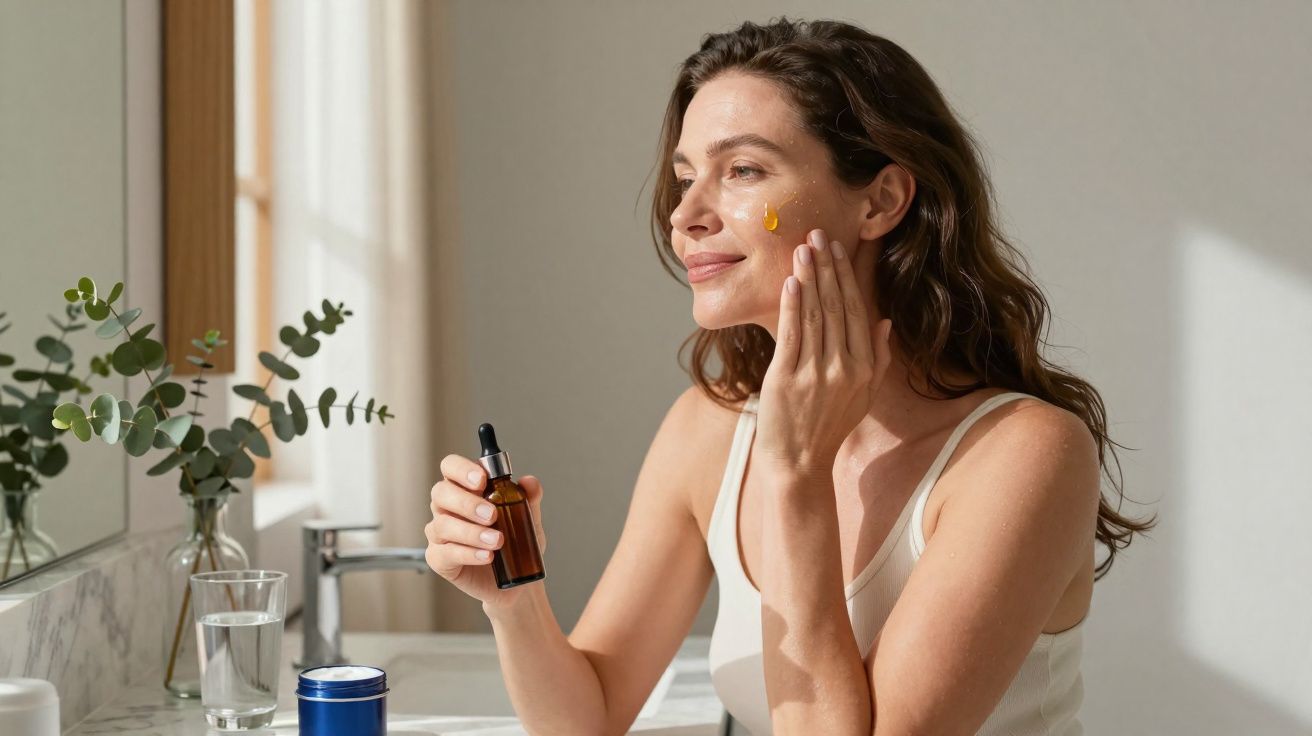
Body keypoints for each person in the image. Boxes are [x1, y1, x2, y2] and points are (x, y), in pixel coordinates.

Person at [425, 17, 1154, 736]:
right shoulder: (708, 429)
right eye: (685, 178)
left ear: (881, 201)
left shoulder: (1023, 456)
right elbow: (586, 719)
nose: (685, 216)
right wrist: (512, 603)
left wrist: (796, 476)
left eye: (742, 170)